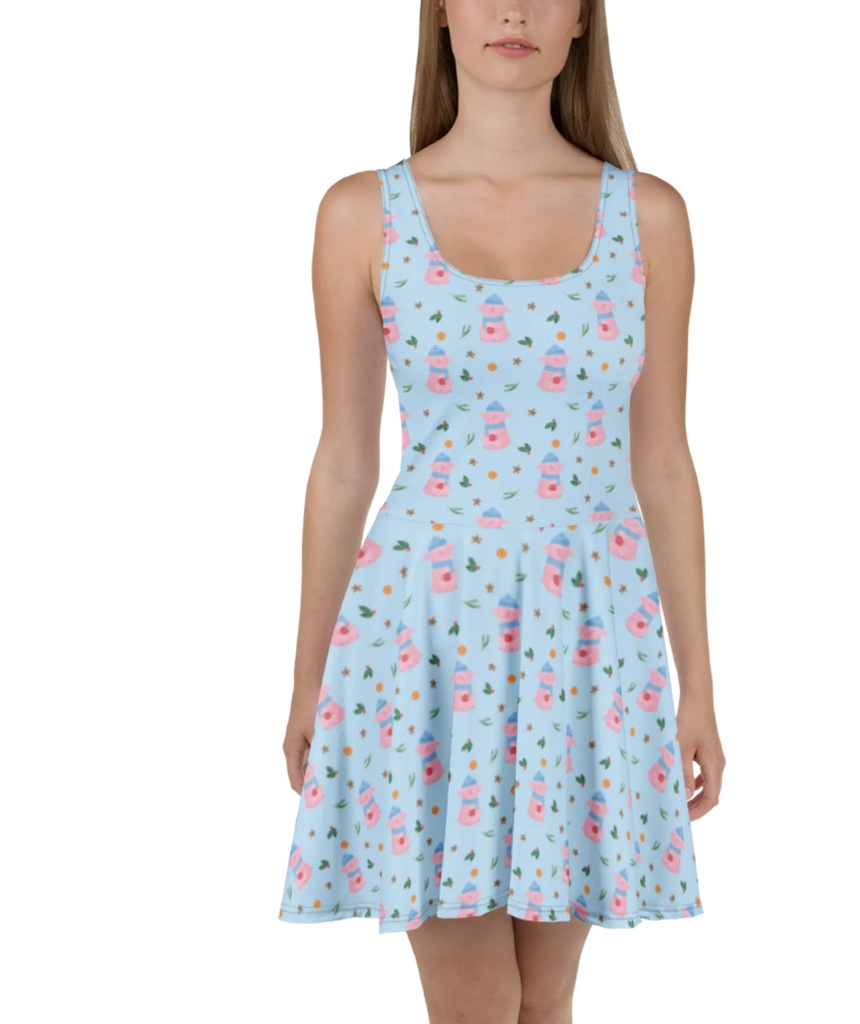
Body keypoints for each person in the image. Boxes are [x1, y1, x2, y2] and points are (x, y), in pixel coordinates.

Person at [277, 1, 727, 1021]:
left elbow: (663, 463)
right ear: (439, 13)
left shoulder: (650, 214)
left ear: (584, 23)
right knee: (471, 997)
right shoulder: (361, 209)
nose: (514, 10)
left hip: (587, 636)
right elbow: (343, 461)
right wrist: (308, 683)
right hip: (421, 638)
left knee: (547, 1000)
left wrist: (696, 689)